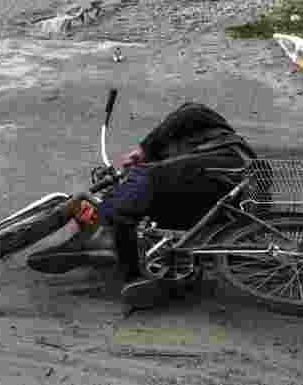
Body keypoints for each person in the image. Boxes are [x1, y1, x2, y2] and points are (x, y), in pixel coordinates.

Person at [27, 102, 256, 307]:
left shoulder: (210, 131)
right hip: (219, 195)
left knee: (143, 180)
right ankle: (115, 251)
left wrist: (144, 148)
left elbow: (190, 111)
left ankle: (121, 267)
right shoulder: (181, 168)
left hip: (231, 170)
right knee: (145, 211)